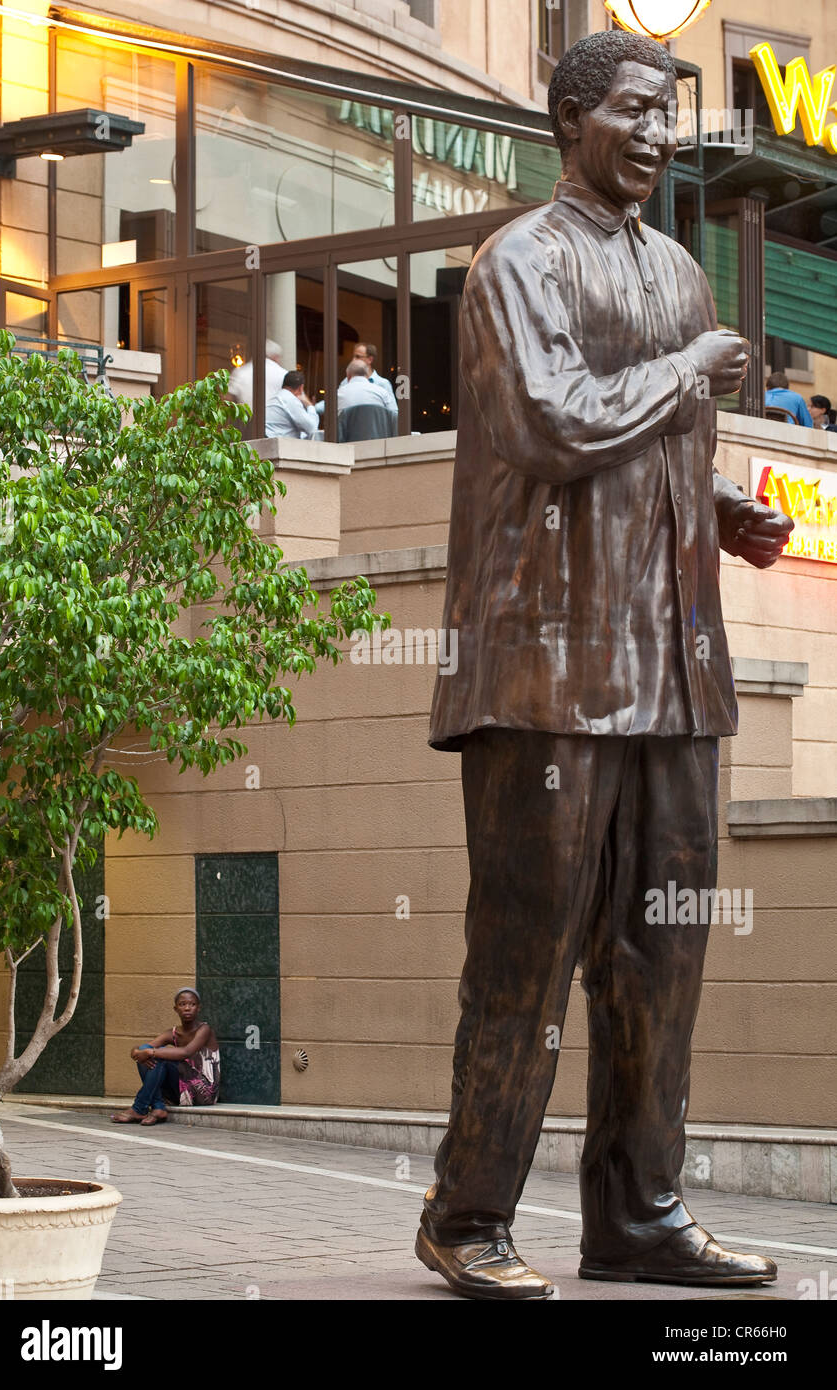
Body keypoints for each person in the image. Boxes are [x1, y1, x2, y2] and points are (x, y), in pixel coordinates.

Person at [416, 30, 792, 1302]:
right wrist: (690, 369)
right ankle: (465, 1218)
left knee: (659, 960)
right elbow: (551, 421)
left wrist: (723, 502)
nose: (655, 134)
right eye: (632, 110)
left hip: (674, 673)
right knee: (523, 957)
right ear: (570, 118)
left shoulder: (678, 272)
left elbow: (654, 444)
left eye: (666, 115)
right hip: (546, 671)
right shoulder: (514, 262)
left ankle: (639, 1215)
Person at [110, 988, 220, 1126]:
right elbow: (143, 1049)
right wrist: (137, 1052)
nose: (187, 1008)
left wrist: (149, 1053)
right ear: (175, 1009)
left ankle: (140, 1107)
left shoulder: (204, 1030)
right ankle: (158, 1108)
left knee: (155, 1055)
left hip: (203, 1093)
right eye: (182, 1004)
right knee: (147, 1052)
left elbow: (186, 1052)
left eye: (192, 1004)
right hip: (179, 1091)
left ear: (198, 1008)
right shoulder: (173, 1032)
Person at [227, 339, 287, 416]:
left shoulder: (240, 372)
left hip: (247, 421)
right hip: (275, 423)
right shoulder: (283, 373)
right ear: (275, 357)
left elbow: (228, 399)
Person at [339, 342, 398, 420]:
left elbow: (393, 413)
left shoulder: (383, 384)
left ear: (370, 359)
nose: (353, 360)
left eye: (357, 356)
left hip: (376, 430)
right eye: (353, 356)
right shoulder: (345, 382)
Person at [264, 369, 320, 438]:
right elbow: (312, 428)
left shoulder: (277, 397)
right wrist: (309, 405)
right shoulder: (290, 399)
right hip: (279, 445)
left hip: (271, 441)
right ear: (301, 388)